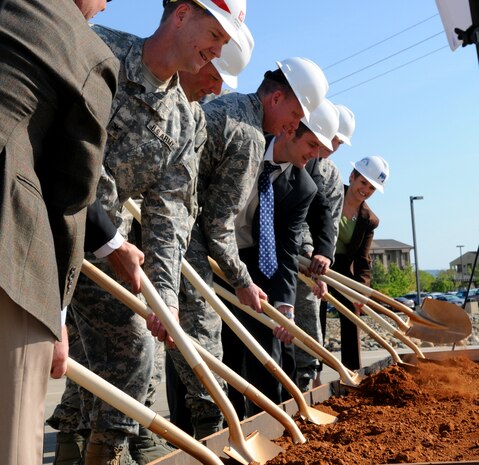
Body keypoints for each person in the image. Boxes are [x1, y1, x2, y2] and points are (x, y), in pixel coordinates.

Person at [50, 1, 246, 463]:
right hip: (46, 227)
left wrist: (166, 294)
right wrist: (114, 243)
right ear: (181, 15)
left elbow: (169, 212)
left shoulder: (185, 120)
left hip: (100, 246)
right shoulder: (100, 50)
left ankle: (106, 453)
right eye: (215, 36)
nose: (218, 52)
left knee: (133, 355)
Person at [158, 57, 329, 436]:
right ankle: (204, 436)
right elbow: (216, 222)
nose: (294, 125)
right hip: (187, 236)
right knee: (198, 343)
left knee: (207, 345)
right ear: (277, 99)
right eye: (297, 116)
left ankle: (226, 430)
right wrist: (241, 279)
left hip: (213, 244)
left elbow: (281, 243)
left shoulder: (232, 113)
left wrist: (271, 292)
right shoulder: (249, 135)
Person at [0, 0, 118, 463]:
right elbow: (70, 199)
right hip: (10, 256)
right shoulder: (86, 50)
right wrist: (57, 309)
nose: (106, 5)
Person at [220, 100, 340, 417]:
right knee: (220, 347)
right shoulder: (243, 139)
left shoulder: (303, 186)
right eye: (312, 144)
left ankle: (267, 418)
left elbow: (286, 245)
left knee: (264, 344)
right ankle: (209, 428)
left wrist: (284, 302)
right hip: (207, 248)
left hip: (253, 257)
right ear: (289, 131)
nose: (317, 155)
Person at [294, 103, 356, 391]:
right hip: (283, 252)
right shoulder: (292, 153)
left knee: (307, 317)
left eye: (339, 142)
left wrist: (323, 257)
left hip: (310, 264)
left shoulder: (329, 174)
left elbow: (328, 221)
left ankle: (307, 380)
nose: (333, 147)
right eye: (331, 139)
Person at [331, 155, 390, 370]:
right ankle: (313, 372)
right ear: (352, 177)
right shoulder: (331, 193)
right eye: (363, 182)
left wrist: (362, 292)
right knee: (314, 311)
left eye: (372, 187)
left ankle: (351, 369)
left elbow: (363, 259)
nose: (365, 189)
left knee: (351, 312)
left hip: (341, 268)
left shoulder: (369, 220)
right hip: (315, 260)